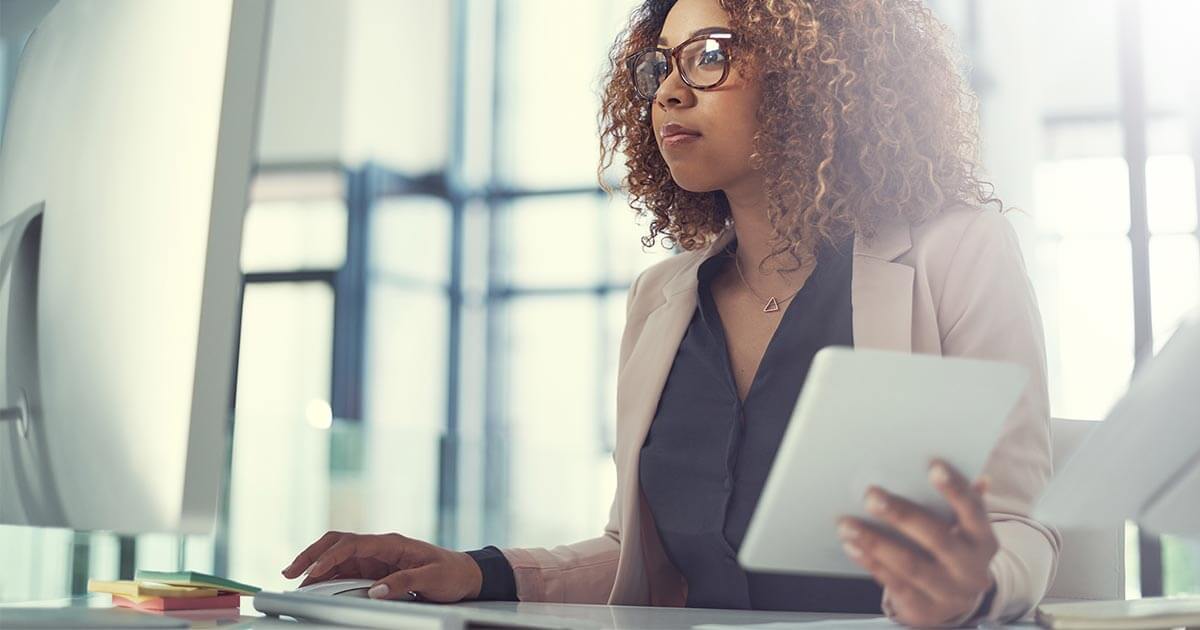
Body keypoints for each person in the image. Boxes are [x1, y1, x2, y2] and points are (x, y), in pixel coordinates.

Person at [281, 0, 1061, 626]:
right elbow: (636, 559)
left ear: (812, 74)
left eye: (711, 55)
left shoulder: (957, 253)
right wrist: (475, 571)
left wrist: (972, 592)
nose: (668, 92)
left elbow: (1022, 526)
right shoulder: (662, 299)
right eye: (659, 64)